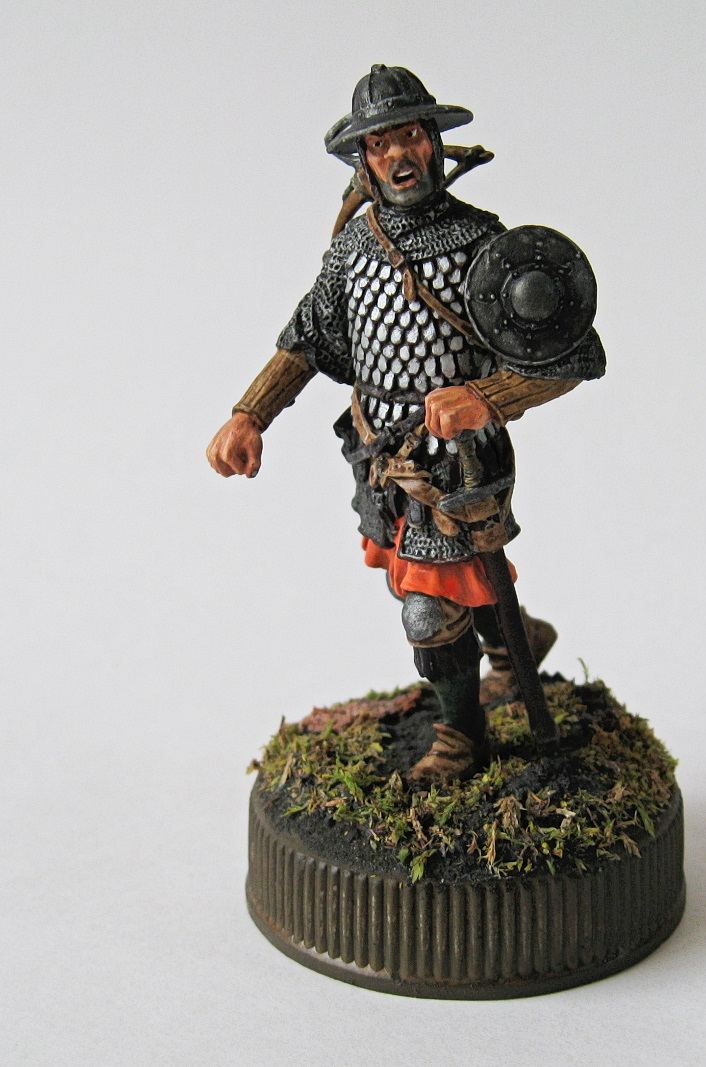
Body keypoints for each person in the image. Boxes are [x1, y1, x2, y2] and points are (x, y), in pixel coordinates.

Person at [206, 65, 605, 782]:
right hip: (380, 459)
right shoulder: (352, 252)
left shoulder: (480, 242)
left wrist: (486, 397)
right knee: (442, 581)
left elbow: (569, 358)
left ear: (433, 143)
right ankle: (516, 643)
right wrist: (249, 413)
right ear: (363, 159)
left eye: (410, 135)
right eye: (380, 143)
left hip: (460, 461)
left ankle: (461, 739)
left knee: (427, 612)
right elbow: (305, 342)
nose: (398, 155)